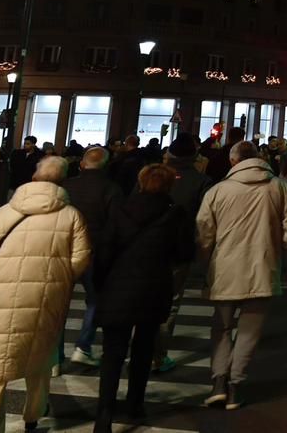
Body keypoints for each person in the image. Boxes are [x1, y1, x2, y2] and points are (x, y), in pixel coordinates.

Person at [0, 155, 91, 433]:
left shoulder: (5, 212)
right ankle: (33, 416)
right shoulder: (72, 215)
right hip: (47, 295)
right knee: (40, 358)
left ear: (34, 178)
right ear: (63, 180)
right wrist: (58, 277)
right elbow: (79, 260)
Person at [90, 163, 195, 432]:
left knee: (112, 353)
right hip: (153, 287)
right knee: (143, 349)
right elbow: (184, 253)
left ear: (140, 182)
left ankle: (104, 414)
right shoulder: (175, 214)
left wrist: (100, 286)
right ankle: (135, 403)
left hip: (118, 287)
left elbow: (104, 251)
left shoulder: (120, 210)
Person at [196, 140, 287, 410]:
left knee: (221, 328)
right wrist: (284, 249)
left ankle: (218, 381)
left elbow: (204, 232)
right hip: (263, 265)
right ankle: (235, 386)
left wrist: (206, 261)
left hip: (225, 267)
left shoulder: (217, 191)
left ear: (233, 161)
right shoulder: (278, 187)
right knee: (249, 332)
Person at [154, 136, 209, 374]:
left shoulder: (151, 175)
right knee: (170, 302)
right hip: (179, 248)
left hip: (146, 247)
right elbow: (204, 219)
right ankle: (158, 355)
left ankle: (141, 347)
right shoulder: (201, 181)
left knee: (145, 297)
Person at [64, 147, 122, 369]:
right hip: (95, 250)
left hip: (67, 249)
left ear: (82, 164)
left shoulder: (68, 186)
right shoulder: (112, 189)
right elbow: (114, 224)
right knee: (95, 300)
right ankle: (83, 346)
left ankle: (54, 355)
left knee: (59, 303)